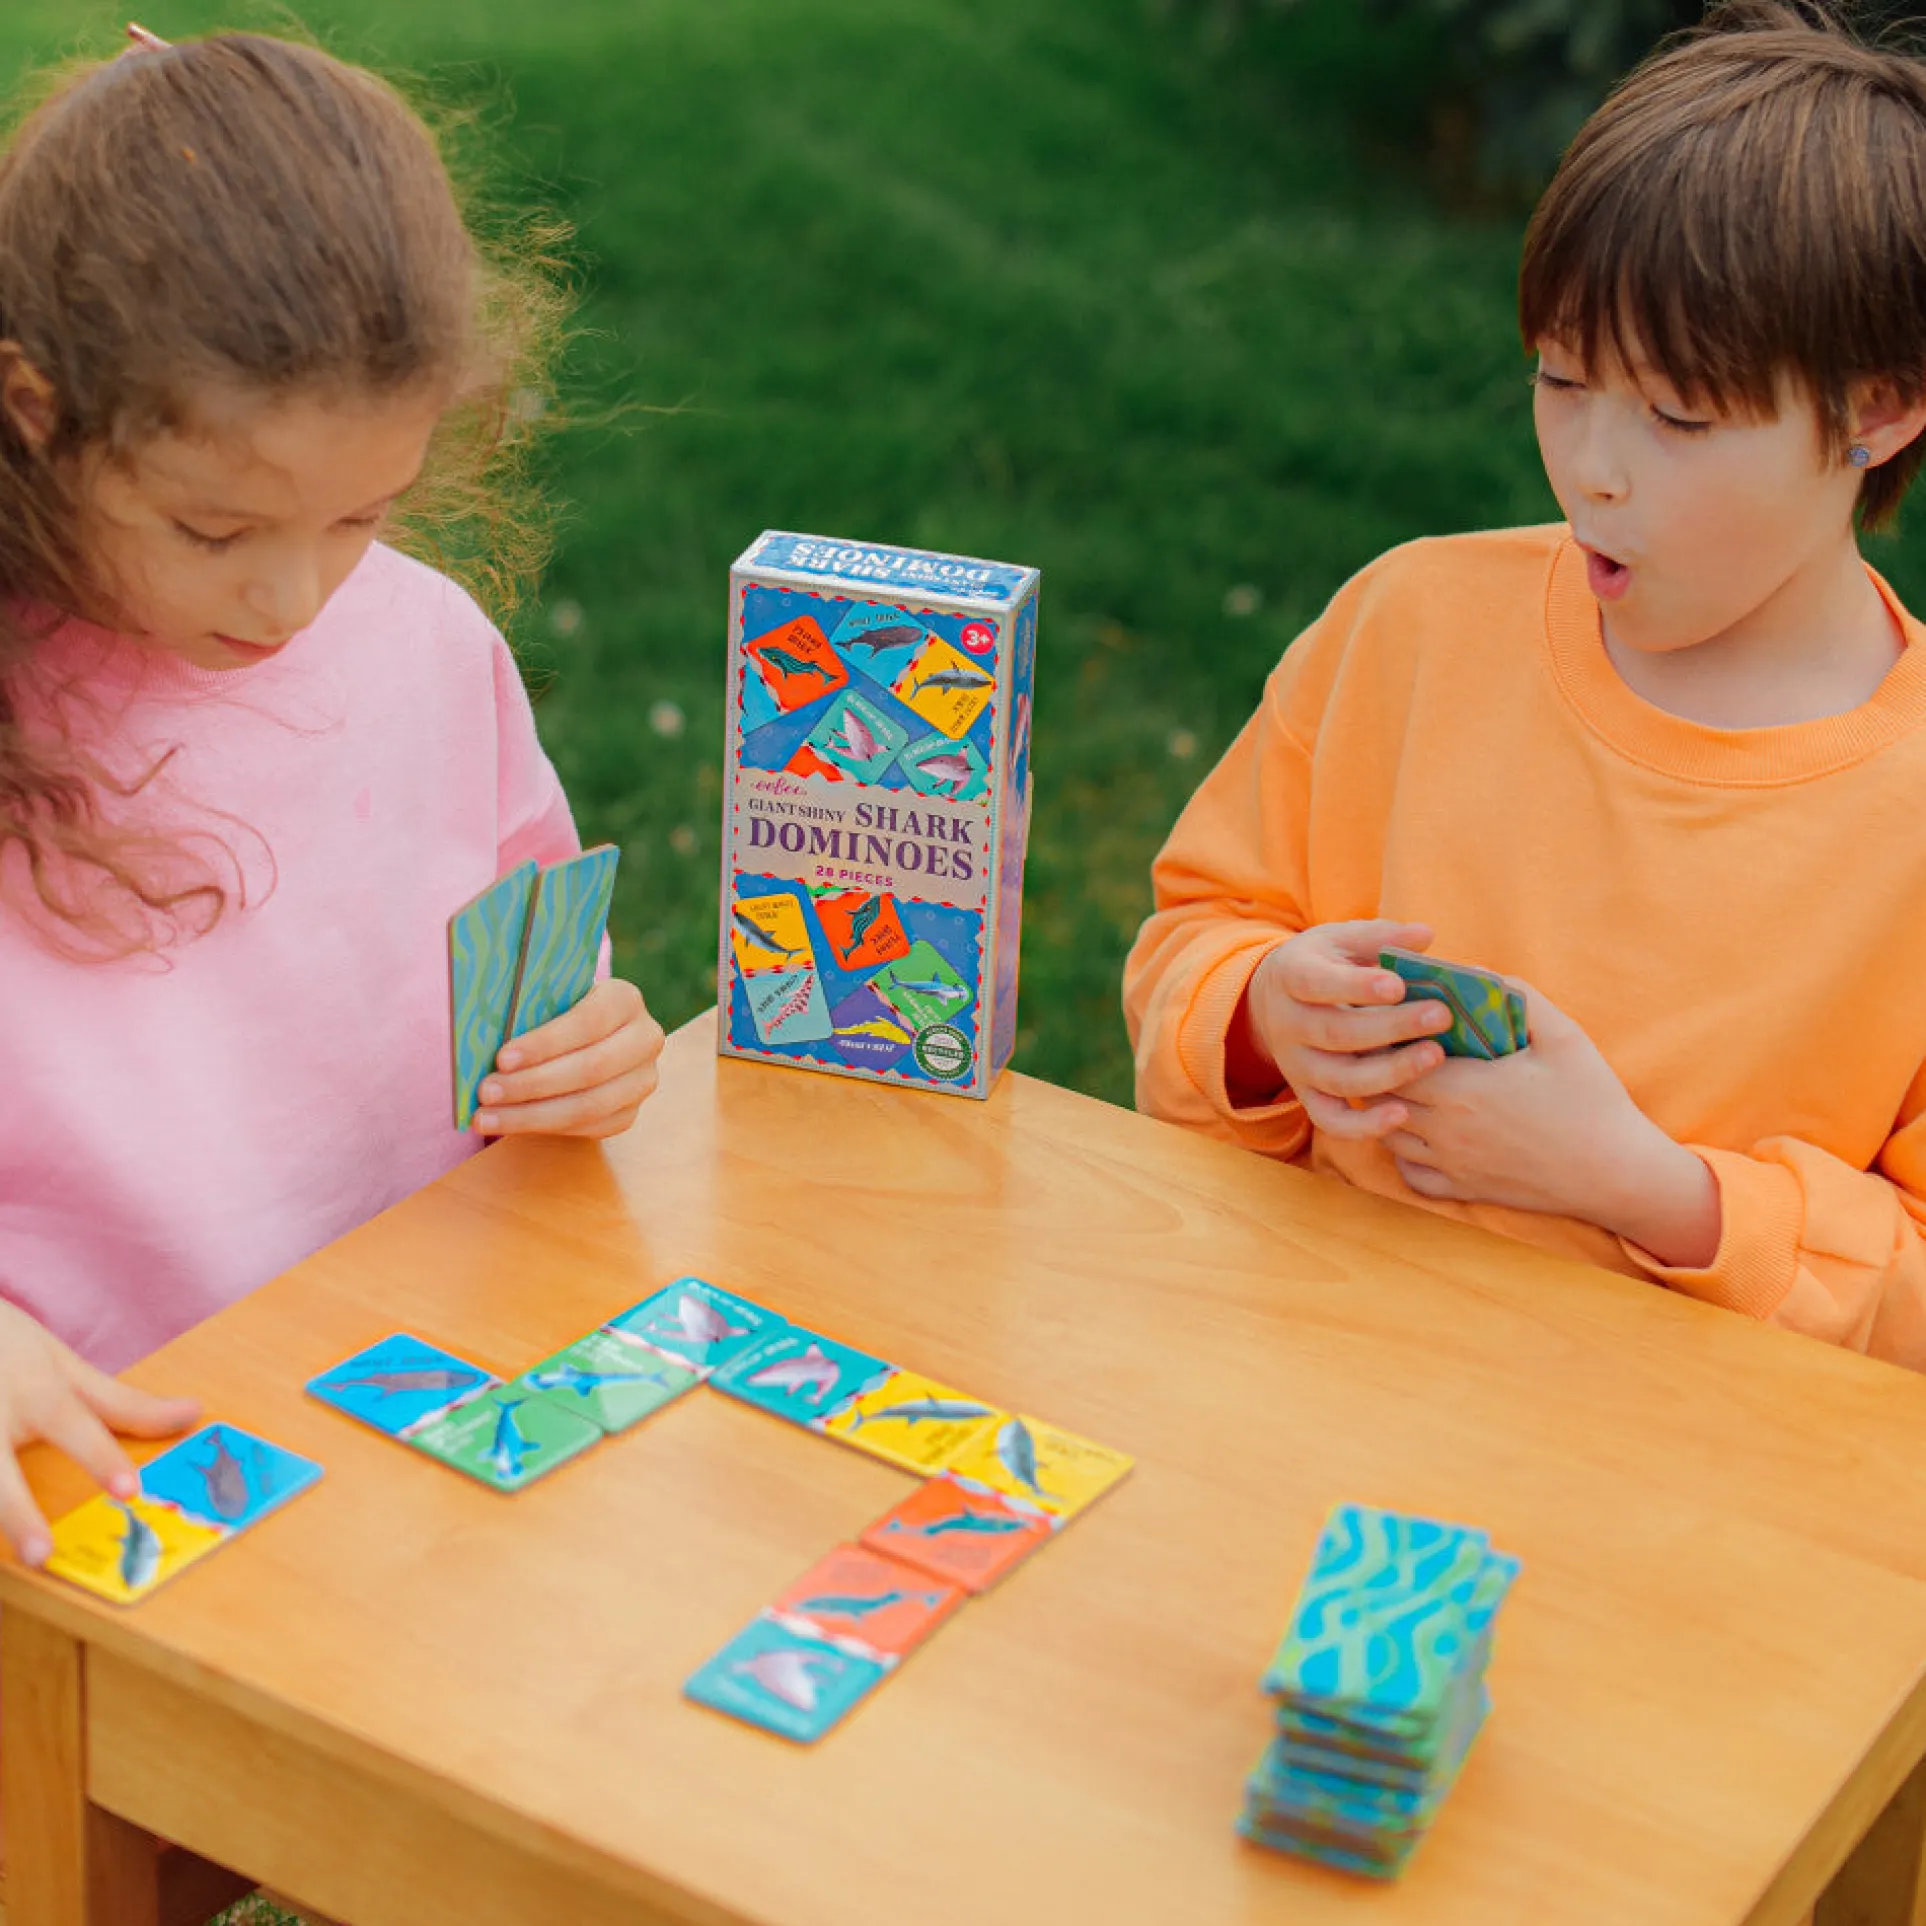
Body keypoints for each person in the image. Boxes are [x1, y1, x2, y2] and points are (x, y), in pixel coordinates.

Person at [1124, 0, 1926, 1369]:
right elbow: (1192, 937)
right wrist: (1264, 1016)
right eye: (1560, 379)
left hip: (1675, 1462)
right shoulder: (1410, 625)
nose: (1592, 470)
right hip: (1311, 1379)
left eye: (1677, 416)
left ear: (1877, 410)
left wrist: (1644, 1188)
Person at [0, 27, 666, 1568]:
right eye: (214, 528)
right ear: (34, 407)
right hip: (91, 1483)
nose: (294, 598)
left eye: (362, 514)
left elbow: (535, 978)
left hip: (413, 1428)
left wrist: (591, 1044)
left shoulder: (425, 645)